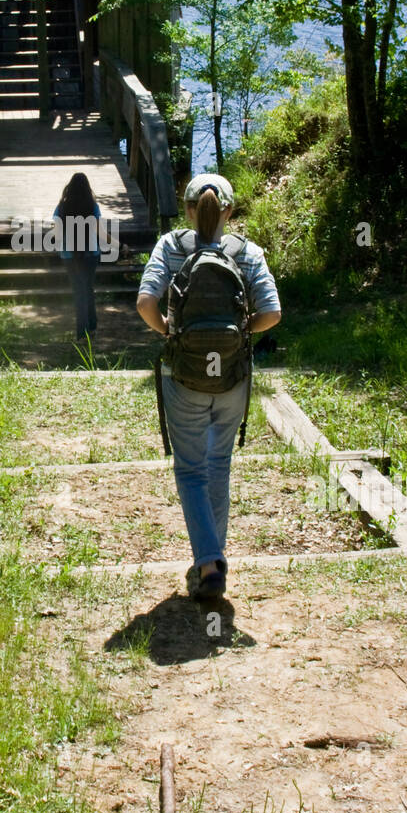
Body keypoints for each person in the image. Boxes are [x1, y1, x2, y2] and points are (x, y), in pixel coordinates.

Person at [136, 173, 281, 602]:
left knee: (191, 469)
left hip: (184, 374)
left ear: (187, 210)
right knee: (218, 464)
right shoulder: (245, 251)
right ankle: (214, 556)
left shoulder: (171, 246)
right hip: (232, 373)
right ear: (229, 211)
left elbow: (145, 304)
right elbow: (272, 312)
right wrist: (240, 335)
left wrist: (171, 334)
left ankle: (208, 561)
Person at [53, 172, 102, 341]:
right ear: (88, 188)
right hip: (91, 254)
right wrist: (118, 244)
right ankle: (92, 326)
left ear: (70, 187)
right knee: (88, 288)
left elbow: (57, 233)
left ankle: (82, 333)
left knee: (79, 291)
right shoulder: (92, 206)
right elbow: (99, 231)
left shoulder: (62, 207)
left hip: (69, 254)